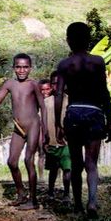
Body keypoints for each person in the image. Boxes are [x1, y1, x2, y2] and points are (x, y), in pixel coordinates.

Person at [55, 23, 111, 216]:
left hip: (74, 112)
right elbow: (104, 92)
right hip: (94, 112)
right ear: (89, 40)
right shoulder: (97, 61)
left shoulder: (64, 65)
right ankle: (93, 202)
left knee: (76, 164)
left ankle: (78, 205)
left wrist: (57, 122)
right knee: (91, 164)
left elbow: (58, 95)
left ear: (68, 40)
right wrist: (109, 120)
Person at [0, 53, 47, 210]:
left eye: (25, 67)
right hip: (18, 128)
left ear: (30, 68)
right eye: (18, 67)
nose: (22, 70)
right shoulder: (9, 84)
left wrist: (45, 129)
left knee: (29, 161)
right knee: (12, 162)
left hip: (33, 126)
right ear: (14, 68)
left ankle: (33, 200)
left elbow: (42, 106)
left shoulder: (33, 85)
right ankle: (21, 193)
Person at [41, 74, 71, 203]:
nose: (57, 86)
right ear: (51, 85)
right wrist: (44, 139)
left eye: (60, 83)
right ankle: (51, 192)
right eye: (54, 83)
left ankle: (66, 193)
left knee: (67, 169)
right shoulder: (46, 102)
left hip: (67, 143)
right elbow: (42, 122)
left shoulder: (70, 101)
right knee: (53, 169)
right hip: (51, 141)